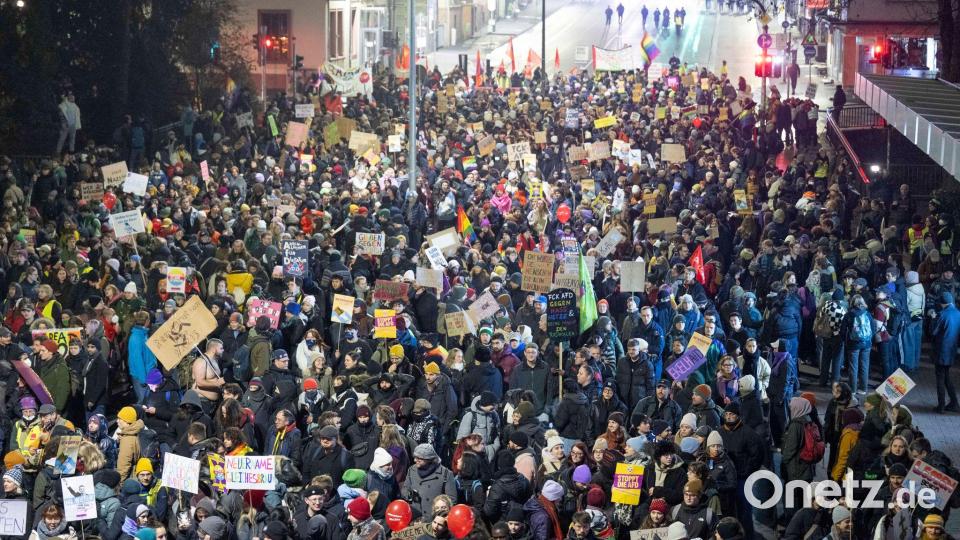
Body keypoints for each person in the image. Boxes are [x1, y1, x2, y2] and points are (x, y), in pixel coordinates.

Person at [931, 292, 960, 413]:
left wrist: (933, 319)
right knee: (947, 376)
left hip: (942, 350)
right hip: (952, 349)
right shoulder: (958, 313)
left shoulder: (942, 315)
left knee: (940, 378)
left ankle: (941, 406)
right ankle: (954, 403)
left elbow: (933, 332)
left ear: (942, 303)